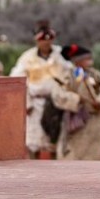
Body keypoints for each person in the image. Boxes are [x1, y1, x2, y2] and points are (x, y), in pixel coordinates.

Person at [10, 20, 68, 158]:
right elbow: (17, 80)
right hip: (35, 105)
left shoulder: (60, 55)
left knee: (55, 140)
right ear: (37, 40)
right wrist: (27, 102)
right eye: (43, 40)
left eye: (49, 39)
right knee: (34, 141)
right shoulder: (27, 57)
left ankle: (55, 171)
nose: (46, 43)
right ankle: (34, 168)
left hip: (56, 104)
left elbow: (69, 76)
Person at [54, 43, 100, 160]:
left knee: (96, 155)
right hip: (75, 121)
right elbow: (58, 94)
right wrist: (77, 100)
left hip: (94, 123)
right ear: (77, 60)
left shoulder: (96, 75)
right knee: (73, 154)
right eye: (86, 58)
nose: (89, 60)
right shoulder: (67, 75)